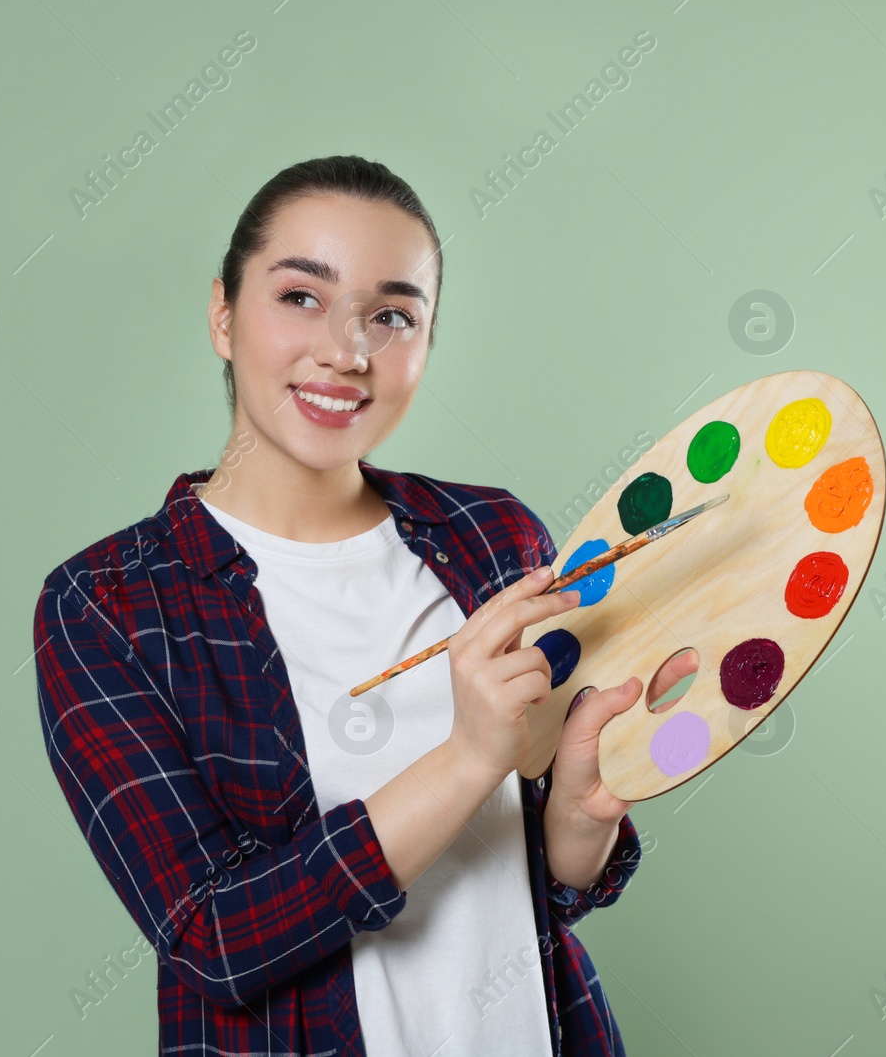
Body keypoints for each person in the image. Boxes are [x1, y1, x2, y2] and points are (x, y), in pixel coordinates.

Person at [33, 155, 680, 1056]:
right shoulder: (108, 604)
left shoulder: (494, 539)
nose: (347, 349)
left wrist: (583, 805)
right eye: (301, 296)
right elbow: (215, 940)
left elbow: (548, 883)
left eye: (392, 314)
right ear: (223, 313)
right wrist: (465, 759)